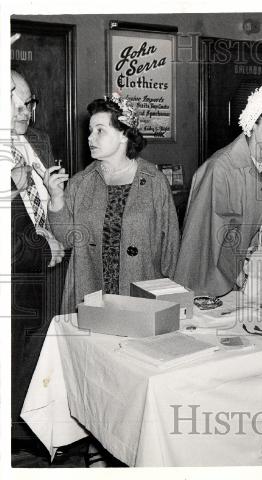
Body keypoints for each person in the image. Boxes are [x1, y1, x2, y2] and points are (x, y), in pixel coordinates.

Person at [45, 93, 180, 314]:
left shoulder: (155, 182)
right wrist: (57, 198)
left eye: (100, 130)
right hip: (91, 299)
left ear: (124, 135)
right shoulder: (81, 182)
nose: (90, 138)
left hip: (142, 302)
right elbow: (67, 239)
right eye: (90, 131)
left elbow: (171, 249)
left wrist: (174, 304)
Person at [176, 86, 262, 297]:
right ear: (253, 123)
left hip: (259, 275)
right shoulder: (220, 168)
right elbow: (202, 241)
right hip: (219, 283)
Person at [10, 69, 66, 450]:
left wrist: (56, 199)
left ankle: (29, 423)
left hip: (48, 265)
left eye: (27, 103)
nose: (24, 111)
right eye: (15, 103)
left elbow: (53, 198)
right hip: (14, 269)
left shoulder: (38, 141)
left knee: (41, 345)